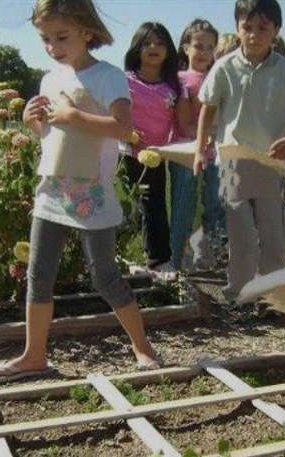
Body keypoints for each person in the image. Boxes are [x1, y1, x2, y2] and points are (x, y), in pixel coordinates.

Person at [0, 0, 161, 383]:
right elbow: (53, 135)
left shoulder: (108, 76)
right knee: (38, 274)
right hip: (51, 189)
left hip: (91, 194)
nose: (52, 46)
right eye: (45, 38)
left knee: (104, 276)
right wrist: (33, 122)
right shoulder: (50, 79)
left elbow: (122, 127)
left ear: (86, 30)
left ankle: (143, 348)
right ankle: (34, 356)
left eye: (61, 36)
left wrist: (73, 116)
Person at [194, 0, 285, 302]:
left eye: (263, 28)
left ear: (276, 31)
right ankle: (240, 291)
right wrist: (199, 148)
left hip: (270, 163)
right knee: (241, 230)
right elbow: (207, 109)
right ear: (237, 28)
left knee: (272, 232)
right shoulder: (224, 67)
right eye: (247, 27)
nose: (254, 35)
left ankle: (271, 294)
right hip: (232, 160)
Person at [120, 22, 181, 279]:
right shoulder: (124, 82)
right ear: (137, 48)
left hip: (155, 157)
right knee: (123, 206)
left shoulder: (173, 87)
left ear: (169, 50)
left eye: (160, 43)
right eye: (147, 43)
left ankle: (158, 261)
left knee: (154, 206)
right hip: (125, 153)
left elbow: (179, 123)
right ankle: (113, 256)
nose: (153, 48)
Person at [172, 19, 225, 273]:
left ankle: (208, 255)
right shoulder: (181, 79)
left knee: (216, 203)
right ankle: (177, 259)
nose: (204, 52)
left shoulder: (220, 77)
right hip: (186, 151)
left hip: (217, 154)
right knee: (184, 206)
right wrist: (206, 137)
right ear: (185, 47)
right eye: (198, 46)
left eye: (209, 47)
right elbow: (183, 125)